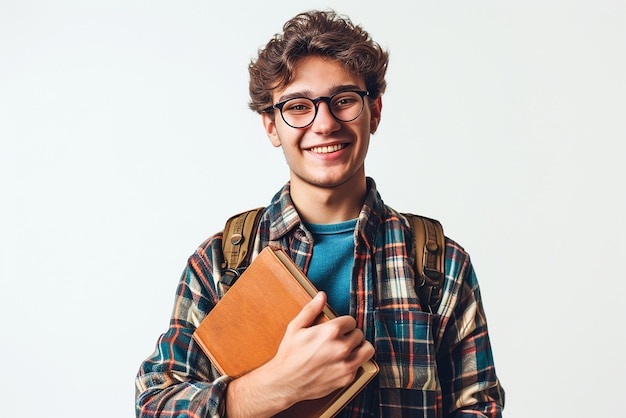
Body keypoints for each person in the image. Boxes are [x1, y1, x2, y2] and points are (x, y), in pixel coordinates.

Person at [135, 9, 505, 418]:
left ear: (374, 111)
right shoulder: (222, 263)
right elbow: (154, 405)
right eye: (297, 106)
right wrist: (272, 387)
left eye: (343, 100)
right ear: (271, 126)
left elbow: (479, 408)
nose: (324, 124)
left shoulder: (439, 265)